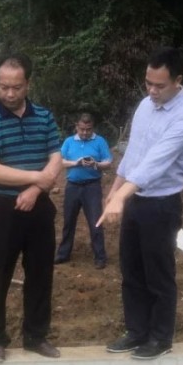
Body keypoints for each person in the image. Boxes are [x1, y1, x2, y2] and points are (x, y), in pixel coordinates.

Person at [97, 47, 183, 360]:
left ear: (178, 81)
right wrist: (114, 192)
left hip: (161, 205)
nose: (152, 91)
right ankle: (136, 330)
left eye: (160, 86)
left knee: (158, 273)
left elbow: (155, 163)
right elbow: (134, 154)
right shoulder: (145, 105)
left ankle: (160, 337)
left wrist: (121, 196)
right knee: (131, 269)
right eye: (148, 84)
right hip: (135, 199)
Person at [0, 52, 63, 363]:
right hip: (3, 209)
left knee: (41, 273)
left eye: (16, 87)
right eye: (3, 87)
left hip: (38, 208)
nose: (9, 94)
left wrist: (36, 189)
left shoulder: (44, 116)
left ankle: (35, 336)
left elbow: (56, 157)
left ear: (28, 83)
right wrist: (37, 178)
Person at [55, 113, 113, 268]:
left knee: (95, 222)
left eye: (88, 129)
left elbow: (108, 162)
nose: (85, 133)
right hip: (72, 186)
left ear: (92, 127)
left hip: (92, 186)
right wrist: (76, 163)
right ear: (76, 127)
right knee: (68, 221)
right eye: (82, 129)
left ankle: (100, 257)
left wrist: (96, 164)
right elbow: (60, 161)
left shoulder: (100, 141)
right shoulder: (68, 142)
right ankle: (63, 254)